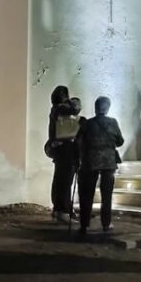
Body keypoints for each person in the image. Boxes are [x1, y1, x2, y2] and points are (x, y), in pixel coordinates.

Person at [76, 96, 124, 237]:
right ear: (107, 108)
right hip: (108, 163)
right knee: (107, 195)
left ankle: (84, 225)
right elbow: (120, 141)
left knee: (87, 195)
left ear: (96, 107)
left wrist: (79, 157)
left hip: (90, 162)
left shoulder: (87, 124)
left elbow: (79, 141)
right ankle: (106, 224)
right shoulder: (112, 122)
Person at [46, 85, 78, 224]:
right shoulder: (62, 108)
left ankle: (59, 209)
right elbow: (76, 108)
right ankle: (63, 210)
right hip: (65, 149)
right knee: (65, 181)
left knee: (59, 179)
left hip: (59, 149)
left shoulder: (55, 110)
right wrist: (73, 101)